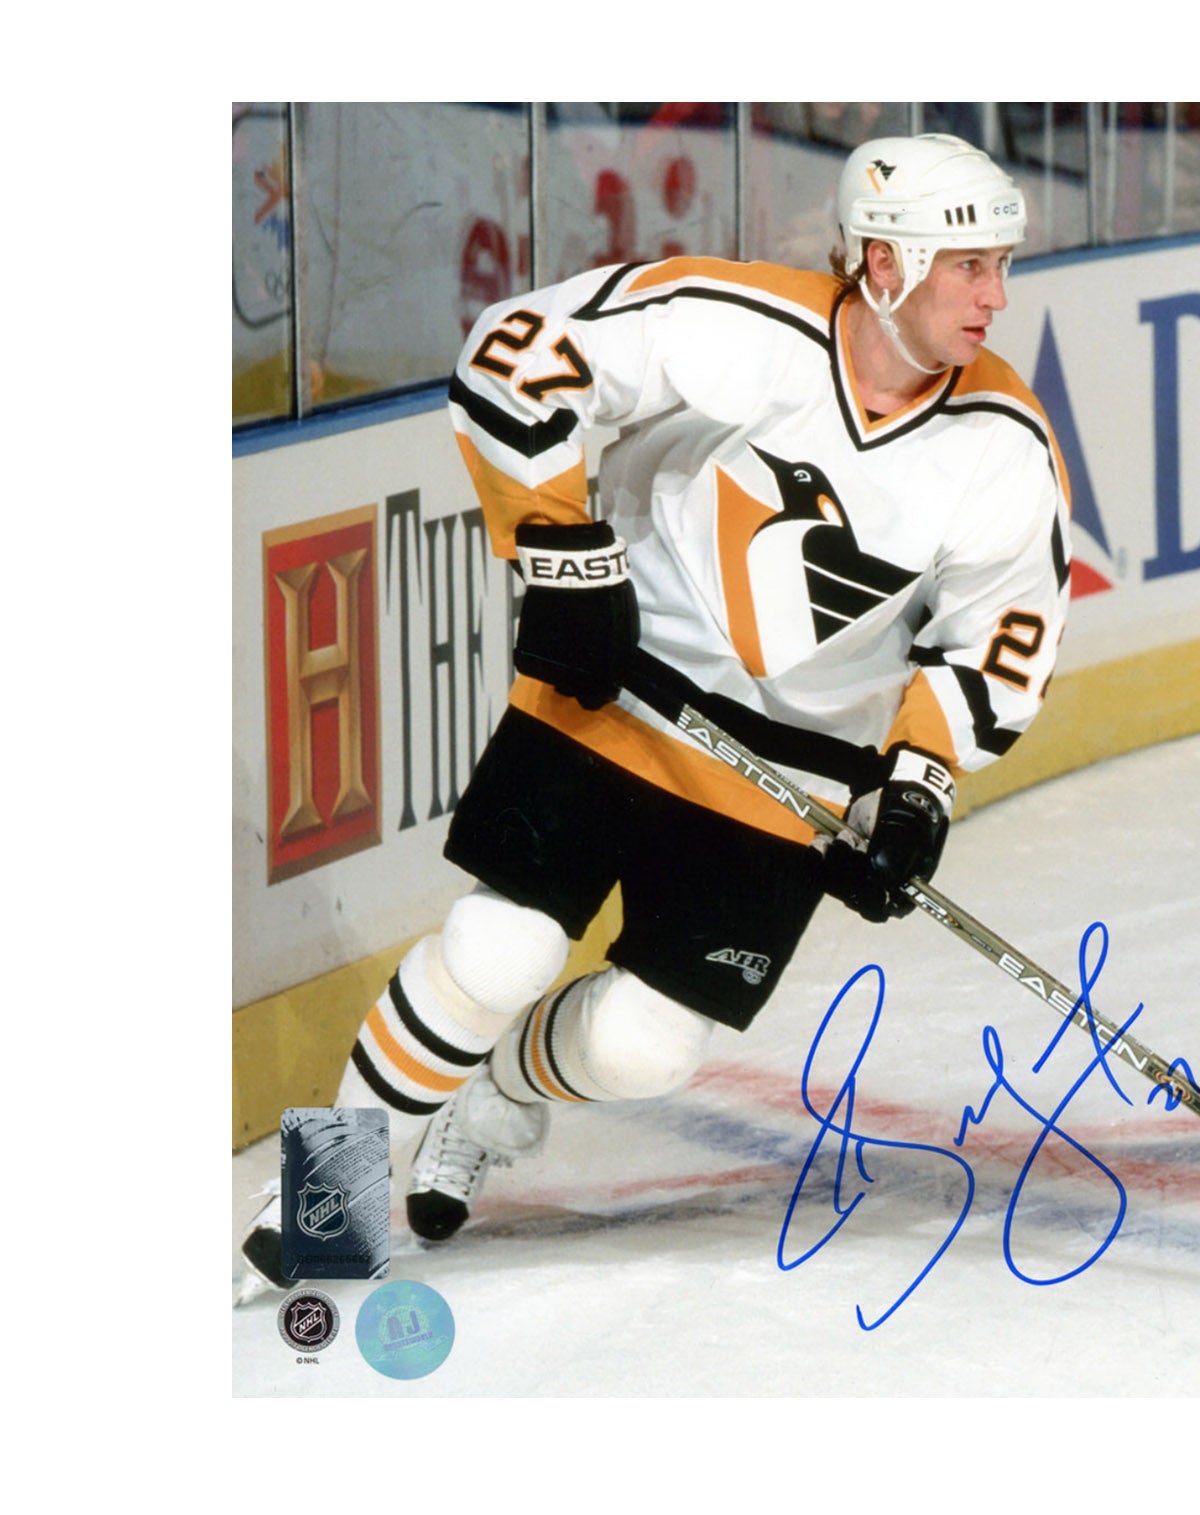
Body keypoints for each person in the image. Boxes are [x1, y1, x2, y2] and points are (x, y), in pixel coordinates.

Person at [240, 133, 1073, 1291]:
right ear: (884, 262)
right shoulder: (734, 323)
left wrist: (916, 788)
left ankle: (491, 1094)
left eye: (1000, 267)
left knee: (647, 1047)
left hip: (793, 776)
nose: (994, 296)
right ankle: (321, 1195)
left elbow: (998, 636)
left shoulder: (1004, 447)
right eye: (968, 266)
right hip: (617, 697)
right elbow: (515, 356)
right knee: (499, 947)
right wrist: (562, 551)